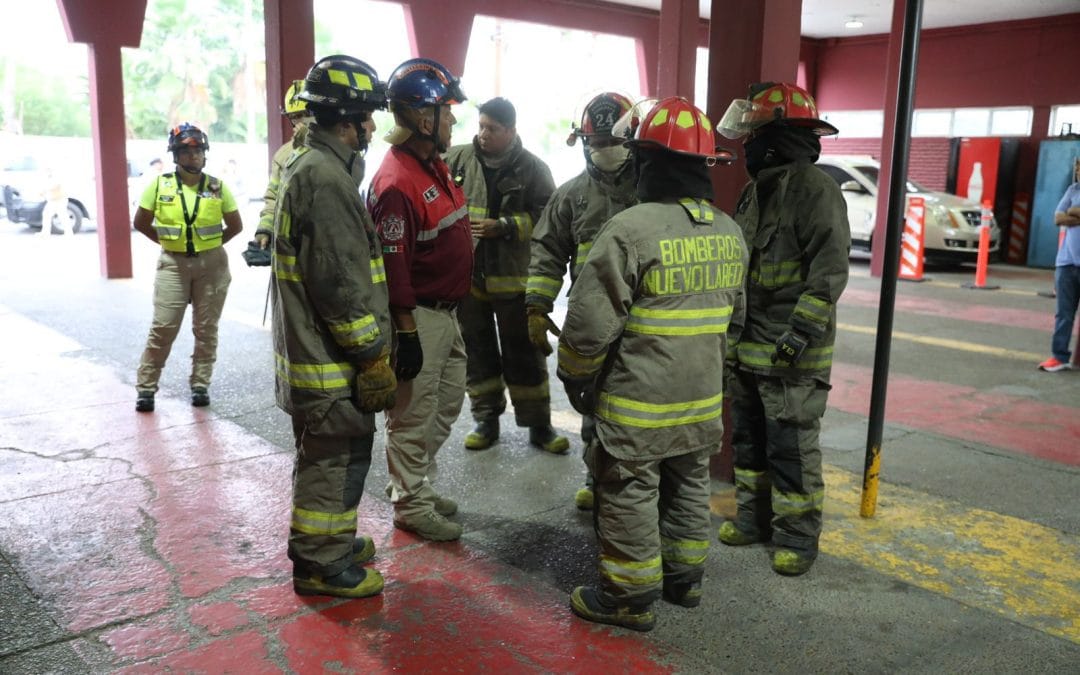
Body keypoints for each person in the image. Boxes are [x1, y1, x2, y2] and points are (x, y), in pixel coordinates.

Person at [558, 97, 747, 631]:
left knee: (628, 489)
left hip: (638, 401)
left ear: (645, 162)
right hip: (702, 401)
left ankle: (627, 597)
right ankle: (685, 580)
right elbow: (736, 322)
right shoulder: (729, 232)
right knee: (689, 482)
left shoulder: (629, 230)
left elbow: (589, 326)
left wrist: (573, 374)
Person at [270, 55, 396, 599]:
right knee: (334, 457)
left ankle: (331, 541)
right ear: (346, 119)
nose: (371, 127)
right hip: (331, 361)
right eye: (366, 116)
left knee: (328, 455)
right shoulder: (325, 180)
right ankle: (322, 564)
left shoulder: (315, 166)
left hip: (315, 353)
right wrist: (371, 356)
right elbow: (342, 286)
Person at [714, 82, 850, 576]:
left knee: (790, 447)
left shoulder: (817, 190)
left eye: (752, 135)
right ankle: (753, 519)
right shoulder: (756, 192)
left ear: (773, 138)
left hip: (793, 353)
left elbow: (829, 270)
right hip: (749, 347)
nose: (745, 145)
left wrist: (799, 333)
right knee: (748, 441)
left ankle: (797, 537)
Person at [368, 58, 473, 542]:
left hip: (447, 314)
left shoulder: (433, 166)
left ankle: (418, 486)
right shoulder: (396, 183)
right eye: (447, 112)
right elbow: (393, 267)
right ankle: (410, 503)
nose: (453, 121)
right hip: (421, 318)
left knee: (446, 404)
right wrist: (405, 332)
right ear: (423, 117)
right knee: (411, 416)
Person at [527, 91, 637, 508]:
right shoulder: (572, 195)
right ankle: (597, 479)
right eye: (598, 143)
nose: (605, 151)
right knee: (595, 402)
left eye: (614, 142)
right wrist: (537, 306)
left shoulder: (653, 188)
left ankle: (641, 489)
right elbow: (547, 250)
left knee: (639, 410)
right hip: (593, 320)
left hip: (644, 320)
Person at [444, 98, 567, 454]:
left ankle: (539, 426)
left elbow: (549, 218)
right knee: (477, 352)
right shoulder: (457, 161)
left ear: (511, 131)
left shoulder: (533, 168)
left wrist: (507, 226)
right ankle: (486, 420)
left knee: (525, 354)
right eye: (481, 126)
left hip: (514, 279)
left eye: (492, 129)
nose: (483, 134)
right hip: (469, 278)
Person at [132, 123, 243, 412]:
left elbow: (236, 226)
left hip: (212, 266)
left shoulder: (217, 187)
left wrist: (210, 245)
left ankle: (200, 384)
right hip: (173, 266)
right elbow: (141, 222)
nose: (193, 156)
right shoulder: (160, 185)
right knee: (163, 327)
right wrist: (171, 244)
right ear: (175, 155)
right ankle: (146, 387)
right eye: (186, 151)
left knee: (206, 329)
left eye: (198, 151)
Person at [254, 79, 311, 251]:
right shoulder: (283, 155)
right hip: (293, 244)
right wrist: (265, 229)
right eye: (294, 117)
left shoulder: (339, 148)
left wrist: (310, 144)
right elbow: (273, 198)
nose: (300, 121)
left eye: (305, 114)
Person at [39, 166, 69, 236]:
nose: (47, 172)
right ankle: (45, 232)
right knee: (46, 215)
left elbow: (55, 186)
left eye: (48, 170)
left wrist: (45, 191)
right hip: (53, 201)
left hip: (60, 200)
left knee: (63, 216)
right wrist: (44, 193)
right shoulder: (49, 178)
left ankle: (68, 233)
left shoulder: (56, 176)